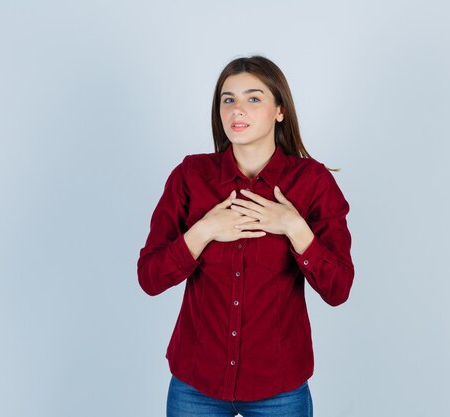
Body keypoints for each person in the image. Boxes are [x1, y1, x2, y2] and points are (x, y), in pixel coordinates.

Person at [137, 55, 355, 417]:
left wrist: (294, 226)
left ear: (279, 110)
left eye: (253, 98)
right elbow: (150, 277)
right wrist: (203, 230)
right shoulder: (190, 176)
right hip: (196, 382)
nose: (238, 110)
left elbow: (338, 289)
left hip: (279, 386)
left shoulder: (313, 183)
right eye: (228, 99)